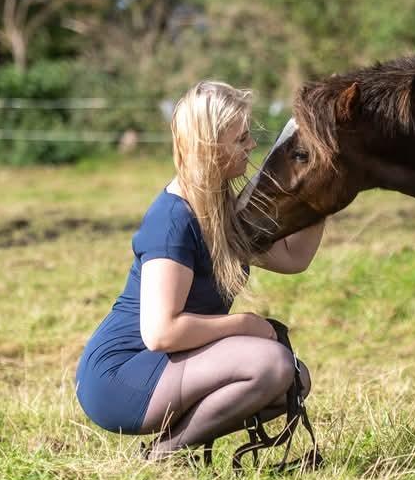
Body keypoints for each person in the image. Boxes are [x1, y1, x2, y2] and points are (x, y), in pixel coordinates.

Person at [74, 81, 325, 460]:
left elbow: (293, 259)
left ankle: (171, 447)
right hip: (121, 375)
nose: (251, 147)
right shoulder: (173, 220)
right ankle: (168, 454)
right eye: (241, 139)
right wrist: (245, 324)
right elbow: (162, 332)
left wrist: (320, 192)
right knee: (271, 366)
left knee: (293, 379)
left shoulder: (221, 208)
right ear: (210, 148)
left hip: (167, 363)